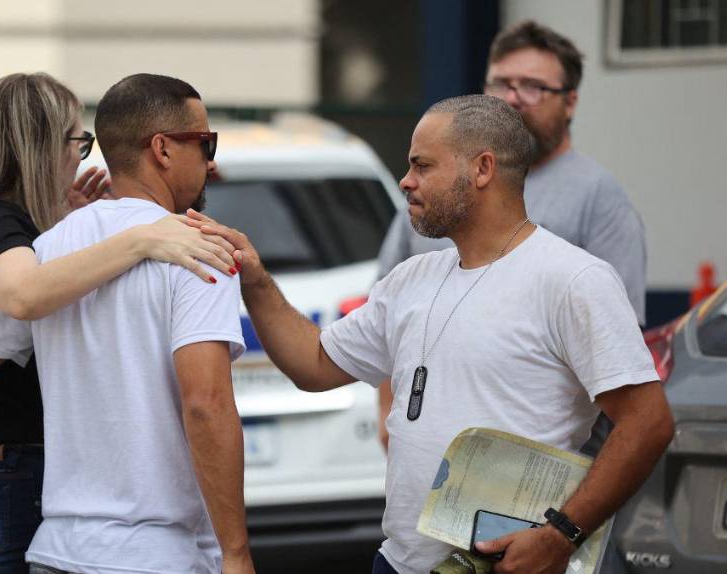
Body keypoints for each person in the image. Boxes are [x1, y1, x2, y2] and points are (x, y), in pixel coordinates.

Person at [194, 95, 673, 574]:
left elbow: (647, 424)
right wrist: (256, 280)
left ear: (482, 169)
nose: (406, 180)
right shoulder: (411, 278)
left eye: (422, 165)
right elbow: (314, 364)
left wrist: (561, 535)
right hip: (398, 562)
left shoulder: (574, 280)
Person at [0, 72, 247, 574]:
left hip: (53, 541)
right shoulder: (188, 246)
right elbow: (206, 403)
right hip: (71, 515)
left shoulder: (41, 244)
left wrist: (71, 225)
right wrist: (141, 238)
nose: (210, 161)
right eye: (77, 144)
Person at [376, 20, 648, 450]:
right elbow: (385, 316)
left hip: (536, 469)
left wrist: (580, 489)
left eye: (533, 87)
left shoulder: (599, 198)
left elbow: (616, 355)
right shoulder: (434, 186)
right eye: (501, 83)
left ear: (570, 102)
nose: (513, 97)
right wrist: (388, 414)